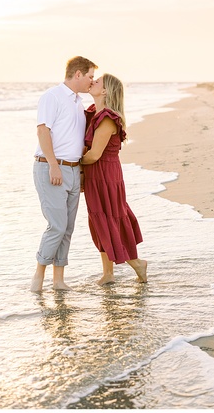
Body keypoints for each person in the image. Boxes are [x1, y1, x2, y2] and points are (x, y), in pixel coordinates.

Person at [32, 56, 97, 292]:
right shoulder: (53, 96)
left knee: (67, 228)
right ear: (78, 74)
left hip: (72, 170)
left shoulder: (78, 103)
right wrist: (54, 165)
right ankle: (38, 277)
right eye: (90, 76)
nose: (92, 81)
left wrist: (78, 171)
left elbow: (74, 140)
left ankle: (58, 281)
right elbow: (42, 131)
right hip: (51, 167)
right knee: (57, 226)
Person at [81, 73, 148, 284]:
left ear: (105, 91)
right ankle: (108, 274)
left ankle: (137, 263)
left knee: (109, 218)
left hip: (105, 175)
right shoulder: (94, 112)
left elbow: (94, 155)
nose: (93, 82)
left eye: (97, 81)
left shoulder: (108, 118)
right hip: (96, 174)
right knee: (100, 219)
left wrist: (71, 166)